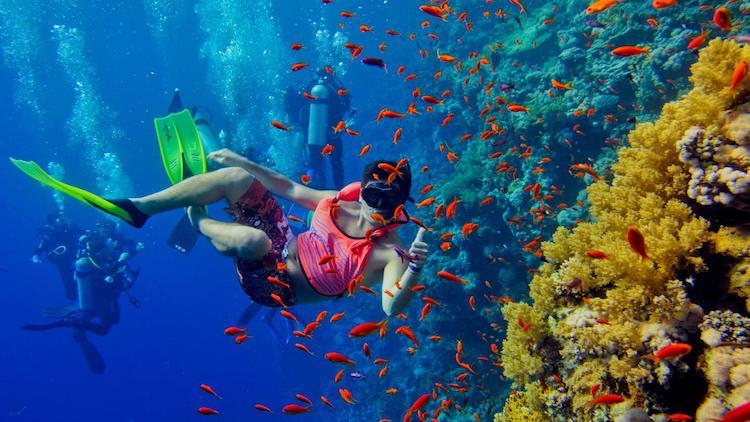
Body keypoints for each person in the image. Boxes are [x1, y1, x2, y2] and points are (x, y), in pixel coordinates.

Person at [12, 150, 430, 316]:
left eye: (388, 201)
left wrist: (413, 270)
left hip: (272, 284)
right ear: (364, 189)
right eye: (373, 194)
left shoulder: (389, 254)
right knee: (233, 177)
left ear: (401, 205)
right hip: (283, 240)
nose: (377, 208)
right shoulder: (341, 199)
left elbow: (392, 308)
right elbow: (289, 188)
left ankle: (198, 221)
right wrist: (241, 162)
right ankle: (138, 209)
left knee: (253, 241)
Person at [22, 220, 142, 373]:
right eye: (110, 241)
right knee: (104, 328)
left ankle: (78, 329)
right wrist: (120, 261)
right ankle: (75, 324)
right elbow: (106, 272)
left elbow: (122, 274)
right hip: (103, 297)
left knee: (102, 319)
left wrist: (128, 260)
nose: (113, 241)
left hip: (96, 297)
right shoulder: (98, 256)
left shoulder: (102, 253)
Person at [284, 67, 353, 189]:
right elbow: (345, 107)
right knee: (336, 163)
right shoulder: (336, 88)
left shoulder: (309, 87)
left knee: (315, 162)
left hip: (312, 133)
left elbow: (297, 108)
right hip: (333, 133)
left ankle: (316, 190)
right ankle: (340, 191)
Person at [32, 213, 81, 301]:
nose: (61, 222)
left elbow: (84, 233)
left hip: (75, 256)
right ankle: (75, 296)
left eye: (62, 219)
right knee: (69, 284)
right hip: (61, 260)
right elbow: (41, 246)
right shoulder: (48, 233)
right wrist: (36, 256)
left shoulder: (70, 228)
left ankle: (85, 294)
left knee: (82, 274)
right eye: (59, 220)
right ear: (52, 222)